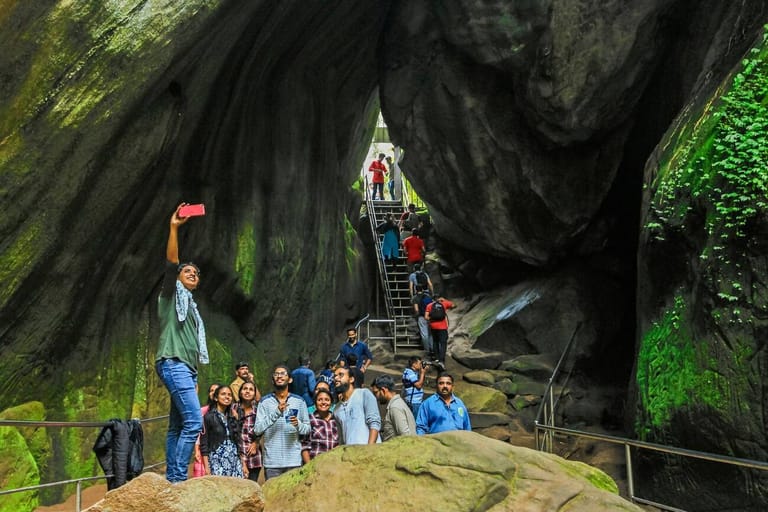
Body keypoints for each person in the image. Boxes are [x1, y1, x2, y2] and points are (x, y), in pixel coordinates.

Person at [155, 203, 209, 483]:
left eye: (196, 274)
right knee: (194, 421)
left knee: (177, 426)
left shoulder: (193, 309)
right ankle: (177, 478)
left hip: (186, 368)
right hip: (172, 362)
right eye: (187, 271)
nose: (192, 274)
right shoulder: (170, 296)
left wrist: (194, 377)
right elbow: (171, 263)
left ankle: (172, 477)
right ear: (178, 277)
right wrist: (174, 228)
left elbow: (193, 346)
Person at [252, 364, 310, 480]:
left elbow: (307, 429)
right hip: (272, 463)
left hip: (293, 461)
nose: (279, 376)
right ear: (273, 380)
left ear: (290, 379)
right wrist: (276, 413)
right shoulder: (264, 402)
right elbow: (257, 430)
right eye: (276, 374)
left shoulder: (299, 401)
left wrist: (298, 424)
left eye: (283, 373)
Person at [200, 385, 245, 477]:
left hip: (234, 461)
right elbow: (204, 444)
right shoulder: (208, 417)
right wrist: (207, 468)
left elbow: (238, 441)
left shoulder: (232, 417)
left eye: (229, 395)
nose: (227, 397)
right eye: (223, 394)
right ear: (216, 398)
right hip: (217, 460)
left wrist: (243, 464)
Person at [332, 366, 381, 445]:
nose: (336, 378)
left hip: (370, 450)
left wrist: (370, 448)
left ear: (351, 379)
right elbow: (341, 438)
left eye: (341, 375)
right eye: (335, 376)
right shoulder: (336, 409)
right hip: (350, 451)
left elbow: (374, 424)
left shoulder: (364, 394)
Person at [371, 375, 416, 441]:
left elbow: (405, 437)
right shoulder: (397, 404)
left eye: (375, 393)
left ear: (383, 390)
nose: (375, 397)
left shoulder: (395, 407)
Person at [301, 388, 340, 463]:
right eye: (320, 400)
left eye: (327, 400)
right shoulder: (309, 419)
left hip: (335, 464)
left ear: (331, 403)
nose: (323, 402)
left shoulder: (337, 420)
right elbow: (304, 446)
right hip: (315, 465)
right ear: (315, 403)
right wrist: (309, 467)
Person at [234, 382, 262, 482]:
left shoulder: (259, 411)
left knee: (252, 487)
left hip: (254, 457)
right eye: (245, 388)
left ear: (254, 394)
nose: (247, 391)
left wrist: (256, 442)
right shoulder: (233, 409)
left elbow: (263, 429)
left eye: (251, 389)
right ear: (240, 392)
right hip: (236, 456)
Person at [193, 383, 221, 477]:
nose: (213, 392)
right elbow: (199, 432)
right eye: (211, 391)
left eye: (216, 390)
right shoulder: (203, 411)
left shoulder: (227, 412)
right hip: (205, 449)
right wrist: (197, 450)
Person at [425, 294, 454, 366]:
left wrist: (432, 319)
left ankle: (437, 358)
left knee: (435, 342)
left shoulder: (429, 305)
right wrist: (445, 300)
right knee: (443, 343)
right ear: (439, 298)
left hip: (433, 327)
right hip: (442, 327)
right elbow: (453, 305)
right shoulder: (443, 304)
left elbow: (426, 317)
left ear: (433, 299)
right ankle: (441, 360)